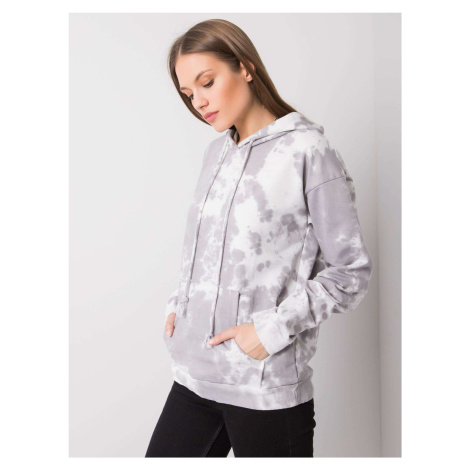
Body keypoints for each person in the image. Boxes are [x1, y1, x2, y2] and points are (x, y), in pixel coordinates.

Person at [145, 18, 373, 458]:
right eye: (188, 93)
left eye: (207, 82)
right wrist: (180, 305)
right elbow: (205, 251)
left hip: (263, 384)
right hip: (195, 375)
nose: (199, 102)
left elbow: (350, 273)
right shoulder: (216, 153)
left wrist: (269, 331)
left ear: (245, 68)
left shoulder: (306, 150)